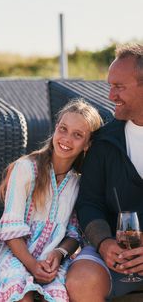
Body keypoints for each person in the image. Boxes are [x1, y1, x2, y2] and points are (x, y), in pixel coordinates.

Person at [0, 99, 102, 302]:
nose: (67, 139)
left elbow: (73, 233)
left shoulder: (79, 183)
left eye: (78, 135)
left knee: (57, 296)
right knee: (21, 294)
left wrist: (59, 254)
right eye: (63, 129)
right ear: (55, 129)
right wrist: (32, 264)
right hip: (17, 255)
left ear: (87, 144)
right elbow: (10, 228)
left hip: (53, 261)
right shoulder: (25, 169)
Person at [66, 43, 143, 301]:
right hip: (112, 258)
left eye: (119, 87)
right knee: (81, 279)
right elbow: (89, 203)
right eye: (110, 85)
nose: (110, 96)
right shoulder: (103, 141)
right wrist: (104, 243)